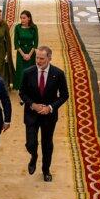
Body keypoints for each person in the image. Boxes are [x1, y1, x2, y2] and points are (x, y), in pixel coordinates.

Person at [19, 45, 69, 182]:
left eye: (42, 58)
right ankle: (33, 156)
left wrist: (51, 108)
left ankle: (46, 170)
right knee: (31, 143)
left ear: (49, 58)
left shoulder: (58, 74)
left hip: (49, 116)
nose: (38, 61)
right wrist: (33, 105)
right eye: (37, 58)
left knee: (47, 144)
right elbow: (22, 93)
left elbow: (65, 95)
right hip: (31, 114)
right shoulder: (28, 72)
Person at [12, 10, 39, 90]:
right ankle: (21, 89)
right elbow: (16, 43)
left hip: (31, 52)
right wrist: (23, 54)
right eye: (21, 18)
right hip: (21, 52)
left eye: (24, 18)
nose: (22, 20)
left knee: (31, 71)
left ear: (29, 18)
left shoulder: (34, 27)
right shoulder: (17, 27)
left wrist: (29, 54)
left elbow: (36, 42)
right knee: (21, 71)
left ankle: (30, 88)